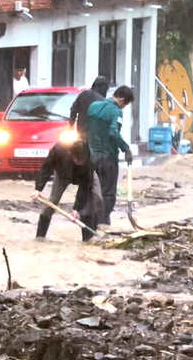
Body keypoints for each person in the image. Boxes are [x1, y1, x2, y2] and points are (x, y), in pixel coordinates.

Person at [85, 87, 136, 227]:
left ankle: (90, 222)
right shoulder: (116, 111)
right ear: (122, 100)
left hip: (91, 156)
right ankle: (103, 222)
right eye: (125, 105)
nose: (123, 108)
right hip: (108, 158)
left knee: (93, 189)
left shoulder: (93, 107)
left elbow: (85, 128)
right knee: (108, 193)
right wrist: (125, 148)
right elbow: (113, 133)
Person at [32, 139, 100, 242]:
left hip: (84, 176)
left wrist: (77, 208)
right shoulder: (59, 149)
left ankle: (89, 239)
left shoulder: (90, 161)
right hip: (62, 174)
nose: (80, 163)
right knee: (51, 203)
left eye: (82, 160)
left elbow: (85, 187)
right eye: (77, 160)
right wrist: (38, 188)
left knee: (95, 200)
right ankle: (40, 238)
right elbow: (46, 167)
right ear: (71, 154)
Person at [67, 75, 110, 144]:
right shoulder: (102, 100)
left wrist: (71, 124)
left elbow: (73, 109)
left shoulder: (84, 94)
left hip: (81, 132)